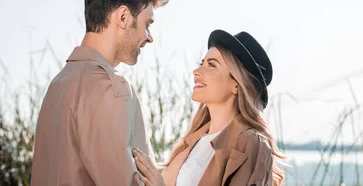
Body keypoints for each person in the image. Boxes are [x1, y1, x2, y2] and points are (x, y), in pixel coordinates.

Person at [31, 0, 168, 185]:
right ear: (123, 17)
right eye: (147, 24)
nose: (149, 37)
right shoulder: (110, 86)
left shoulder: (57, 86)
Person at [131, 29, 285, 186]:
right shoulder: (193, 140)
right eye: (201, 63)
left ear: (237, 84)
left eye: (211, 65)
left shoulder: (251, 143)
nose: (196, 72)